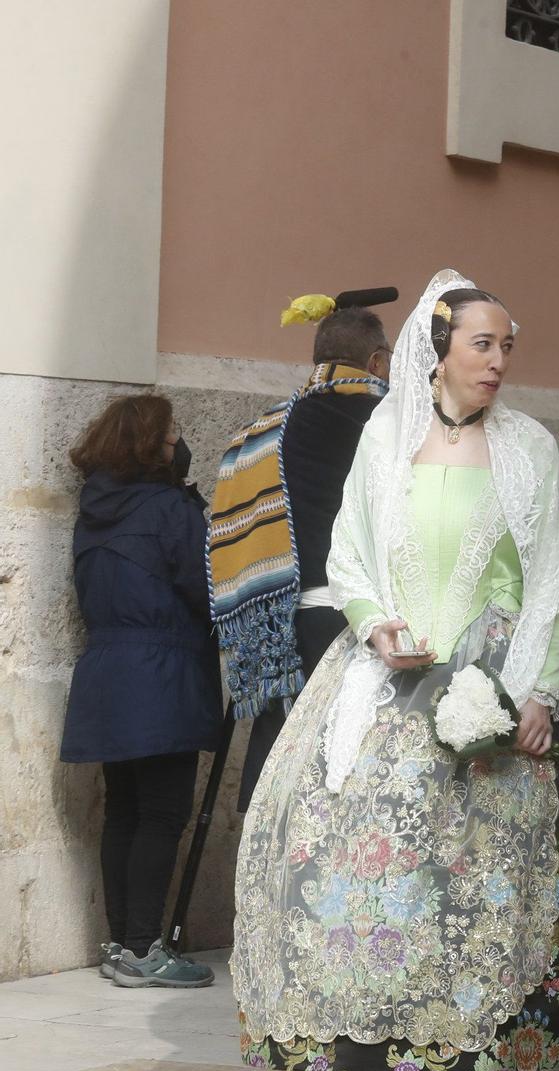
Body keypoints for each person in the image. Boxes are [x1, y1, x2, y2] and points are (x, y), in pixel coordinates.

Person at [233, 272, 559, 1071]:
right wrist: (374, 624)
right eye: (483, 344)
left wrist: (536, 690)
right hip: (390, 683)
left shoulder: (530, 447)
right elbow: (347, 552)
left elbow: (552, 576)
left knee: (476, 888)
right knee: (392, 887)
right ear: (439, 348)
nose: (499, 361)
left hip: (490, 686)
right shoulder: (385, 438)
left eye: (508, 345)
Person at [61, 395, 225, 987]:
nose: (178, 445)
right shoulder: (169, 509)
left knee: (125, 812)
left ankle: (121, 944)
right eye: (171, 435)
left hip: (107, 670)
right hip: (161, 670)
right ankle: (143, 949)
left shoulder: (94, 509)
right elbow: (205, 589)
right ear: (149, 445)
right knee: (161, 812)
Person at [210, 290, 393, 809]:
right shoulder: (392, 424)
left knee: (280, 783)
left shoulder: (260, 433)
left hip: (284, 633)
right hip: (366, 626)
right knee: (353, 785)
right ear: (376, 361)